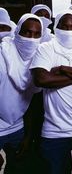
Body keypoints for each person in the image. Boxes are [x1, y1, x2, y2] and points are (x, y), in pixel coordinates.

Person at [30, 9, 72, 174]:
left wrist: (63, 69)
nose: (69, 31)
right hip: (53, 131)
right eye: (64, 26)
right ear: (56, 27)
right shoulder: (45, 48)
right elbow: (41, 80)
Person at [0, 14, 42, 173]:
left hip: (17, 127)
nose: (31, 39)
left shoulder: (37, 59)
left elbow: (31, 102)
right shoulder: (3, 55)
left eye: (37, 34)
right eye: (27, 33)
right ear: (17, 32)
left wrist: (28, 136)